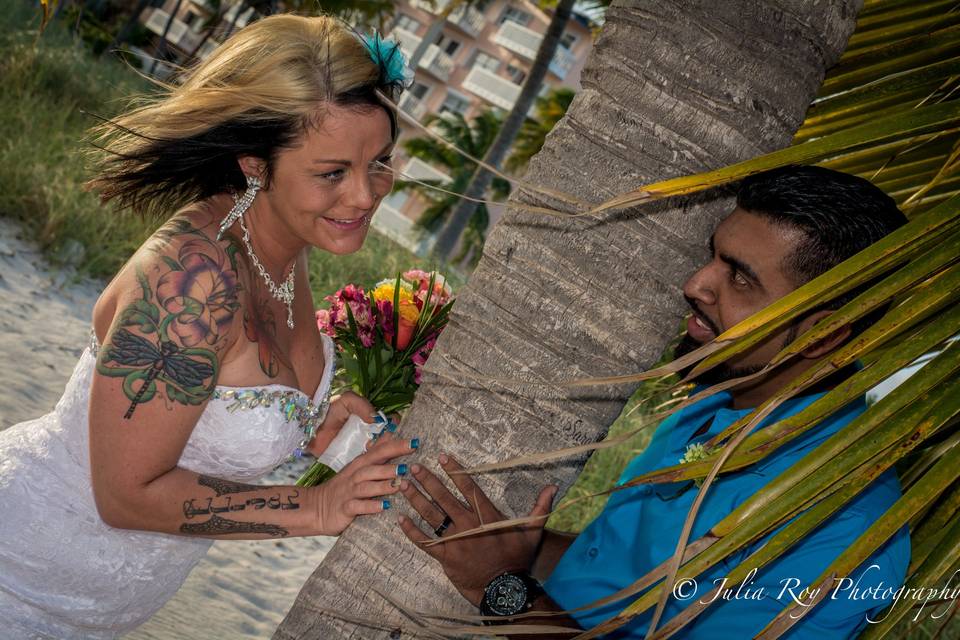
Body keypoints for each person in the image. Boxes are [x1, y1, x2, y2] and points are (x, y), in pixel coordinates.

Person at [0, 15, 418, 639]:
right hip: (18, 573)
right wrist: (314, 507)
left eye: (379, 162)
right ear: (256, 164)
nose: (364, 195)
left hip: (90, 613)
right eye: (333, 173)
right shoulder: (192, 276)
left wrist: (310, 423)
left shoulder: (284, 247)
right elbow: (127, 495)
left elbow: (213, 403)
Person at [397, 166, 912, 638]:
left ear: (820, 337)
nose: (695, 285)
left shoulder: (843, 534)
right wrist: (517, 550)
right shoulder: (718, 400)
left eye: (740, 279)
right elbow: (617, 580)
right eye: (713, 255)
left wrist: (502, 588)